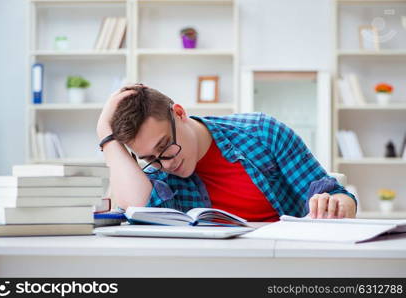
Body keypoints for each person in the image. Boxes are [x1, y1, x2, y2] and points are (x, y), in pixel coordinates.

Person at [97, 84, 357, 222]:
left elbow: (337, 196)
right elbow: (139, 208)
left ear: (179, 113)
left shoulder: (262, 132)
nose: (166, 163)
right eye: (150, 158)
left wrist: (337, 205)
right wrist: (106, 138)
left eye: (165, 146)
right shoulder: (157, 174)